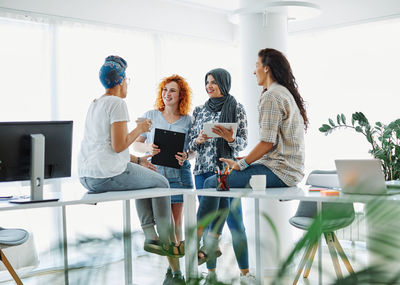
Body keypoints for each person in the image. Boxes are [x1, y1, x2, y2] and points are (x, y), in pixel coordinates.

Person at [202, 48, 308, 282]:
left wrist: (241, 164)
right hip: (283, 168)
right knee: (219, 179)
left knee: (212, 182)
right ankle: (211, 240)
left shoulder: (272, 95)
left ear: (266, 68)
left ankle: (206, 239)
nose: (254, 71)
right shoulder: (283, 92)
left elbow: (267, 143)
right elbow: (271, 144)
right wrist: (242, 163)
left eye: (257, 65)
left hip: (279, 170)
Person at [78, 56, 183, 260]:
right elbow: (119, 146)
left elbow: (106, 145)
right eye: (127, 80)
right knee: (161, 182)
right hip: (106, 175)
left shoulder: (95, 104)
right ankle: (166, 239)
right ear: (121, 80)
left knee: (144, 182)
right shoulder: (117, 103)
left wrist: (139, 161)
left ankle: (151, 236)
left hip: (87, 176)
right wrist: (140, 128)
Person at [187, 68, 255, 284]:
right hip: (202, 171)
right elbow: (189, 145)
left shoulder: (237, 108)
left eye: (214, 82)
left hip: (226, 171)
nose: (209, 86)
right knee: (209, 223)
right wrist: (197, 141)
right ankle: (211, 274)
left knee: (236, 224)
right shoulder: (198, 111)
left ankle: (246, 275)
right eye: (207, 82)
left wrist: (231, 138)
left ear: (224, 84)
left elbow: (244, 142)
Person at [133, 74, 193, 285]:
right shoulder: (150, 115)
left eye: (172, 90)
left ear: (180, 95)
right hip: (158, 175)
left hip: (180, 175)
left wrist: (187, 155)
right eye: (165, 90)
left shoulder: (188, 120)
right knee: (165, 224)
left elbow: (192, 150)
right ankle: (177, 274)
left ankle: (174, 270)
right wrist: (147, 147)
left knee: (177, 224)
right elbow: (136, 145)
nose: (167, 94)